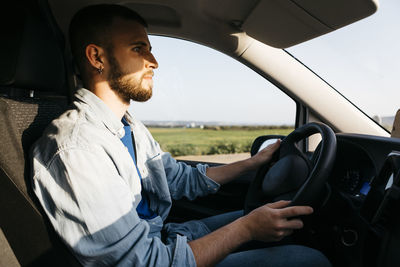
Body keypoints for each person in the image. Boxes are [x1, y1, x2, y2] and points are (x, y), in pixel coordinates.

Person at [31, 4, 331, 267]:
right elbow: (145, 262)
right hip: (156, 256)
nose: (154, 62)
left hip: (167, 238)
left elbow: (178, 180)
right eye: (138, 49)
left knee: (280, 217)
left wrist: (254, 163)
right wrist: (246, 230)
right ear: (97, 57)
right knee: (310, 260)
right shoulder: (77, 149)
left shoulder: (127, 125)